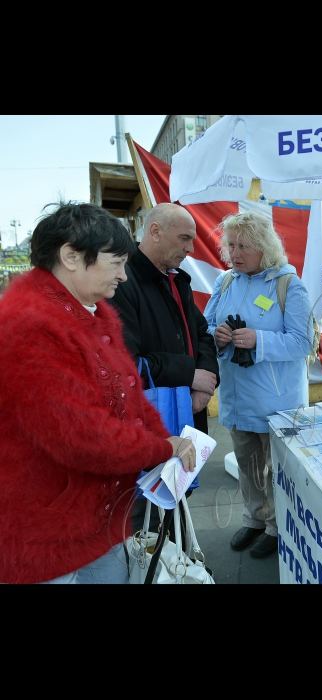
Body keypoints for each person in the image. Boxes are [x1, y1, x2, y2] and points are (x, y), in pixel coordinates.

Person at [0, 202, 196, 584]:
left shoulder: (89, 311)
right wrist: (161, 449)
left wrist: (161, 436)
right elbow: (81, 435)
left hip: (97, 520)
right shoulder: (31, 325)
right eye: (115, 263)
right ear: (71, 257)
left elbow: (130, 395)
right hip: (47, 533)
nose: (124, 276)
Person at [204, 211, 313, 559]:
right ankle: (255, 519)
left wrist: (259, 340)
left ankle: (278, 526)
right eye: (230, 245)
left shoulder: (288, 285)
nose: (234, 253)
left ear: (264, 247)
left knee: (277, 472)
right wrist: (217, 335)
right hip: (237, 398)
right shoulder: (225, 283)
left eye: (243, 246)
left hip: (275, 402)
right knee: (248, 466)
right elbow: (206, 326)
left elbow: (302, 342)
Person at [109, 203, 219, 436]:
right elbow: (126, 364)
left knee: (188, 472)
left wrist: (205, 383)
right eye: (184, 238)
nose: (190, 248)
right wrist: (190, 375)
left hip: (189, 411)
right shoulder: (120, 283)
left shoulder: (178, 280)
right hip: (151, 419)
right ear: (156, 231)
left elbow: (202, 334)